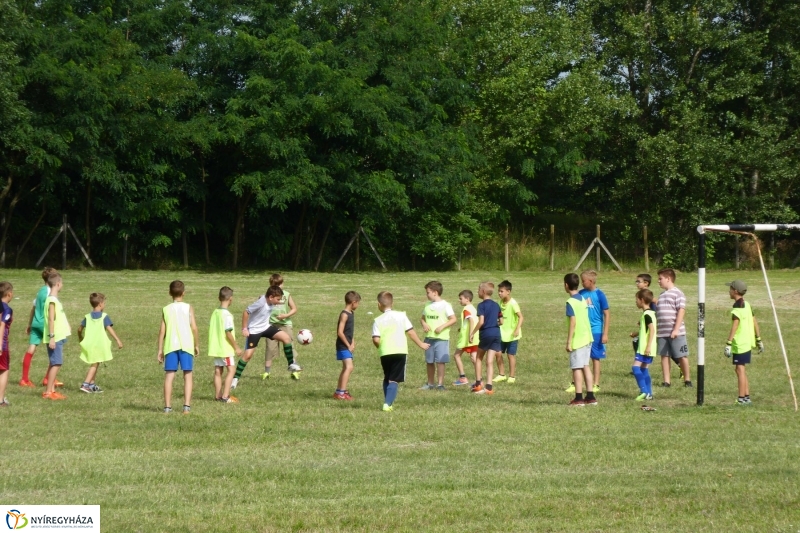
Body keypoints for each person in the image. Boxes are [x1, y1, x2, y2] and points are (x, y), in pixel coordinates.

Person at [231, 286, 300, 389]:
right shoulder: (261, 303)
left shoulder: (271, 301)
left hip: (266, 327)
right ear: (271, 297)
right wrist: (244, 329)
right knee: (248, 356)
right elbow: (246, 312)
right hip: (254, 330)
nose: (279, 301)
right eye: (277, 299)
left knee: (286, 338)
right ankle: (235, 379)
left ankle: (291, 364)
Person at [372, 291, 429, 411]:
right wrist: (421, 344)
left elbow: (376, 339)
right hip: (400, 350)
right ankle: (387, 404)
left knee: (387, 377)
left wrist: (379, 346)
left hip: (385, 352)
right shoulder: (402, 315)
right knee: (394, 379)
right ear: (392, 303)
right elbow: (410, 332)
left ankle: (388, 402)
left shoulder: (377, 320)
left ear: (379, 304)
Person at [156, 280, 199, 414]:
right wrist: (196, 344)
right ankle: (186, 406)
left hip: (170, 345)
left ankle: (167, 407)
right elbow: (194, 328)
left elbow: (162, 331)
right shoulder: (188, 307)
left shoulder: (166, 309)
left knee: (169, 376)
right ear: (184, 293)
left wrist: (160, 349)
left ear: (170, 293)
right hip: (186, 344)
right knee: (188, 375)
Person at [724, 280, 764, 405]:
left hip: (740, 343)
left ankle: (741, 399)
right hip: (747, 342)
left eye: (730, 289)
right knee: (739, 369)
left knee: (740, 369)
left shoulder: (737, 307)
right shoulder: (747, 304)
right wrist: (759, 339)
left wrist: (728, 343)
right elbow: (754, 321)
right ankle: (746, 397)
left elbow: (735, 325)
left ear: (735, 291)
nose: (729, 291)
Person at [19, 267, 58, 388]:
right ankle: (48, 378)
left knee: (31, 350)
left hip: (36, 323)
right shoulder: (50, 292)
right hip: (45, 325)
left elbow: (34, 308)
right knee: (54, 353)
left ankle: (24, 379)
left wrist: (30, 324)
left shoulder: (40, 291)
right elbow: (51, 311)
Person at [77, 293, 123, 394]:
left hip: (89, 344)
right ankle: (85, 384)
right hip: (98, 344)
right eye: (104, 303)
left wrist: (80, 337)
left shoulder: (87, 317)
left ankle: (92, 385)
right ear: (100, 304)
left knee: (95, 362)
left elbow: (79, 329)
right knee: (95, 364)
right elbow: (109, 329)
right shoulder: (104, 317)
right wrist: (117, 340)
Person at [656, 268, 692, 387]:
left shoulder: (678, 293)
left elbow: (681, 311)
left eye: (660, 278)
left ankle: (687, 380)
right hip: (662, 332)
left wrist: (676, 329)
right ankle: (667, 381)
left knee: (681, 356)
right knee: (664, 356)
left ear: (668, 278)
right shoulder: (661, 295)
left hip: (676, 332)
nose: (658, 281)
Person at [564, 273, 596, 406]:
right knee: (585, 366)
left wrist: (569, 341)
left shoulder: (570, 302)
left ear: (566, 286)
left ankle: (578, 398)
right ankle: (590, 396)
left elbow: (573, 321)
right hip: (587, 337)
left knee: (576, 368)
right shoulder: (583, 299)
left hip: (578, 339)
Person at [208, 286, 243, 403]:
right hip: (225, 348)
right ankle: (225, 396)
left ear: (219, 298)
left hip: (216, 347)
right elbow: (228, 332)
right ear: (231, 299)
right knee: (231, 370)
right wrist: (236, 347)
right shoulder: (227, 315)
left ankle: (217, 395)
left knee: (218, 371)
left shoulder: (215, 312)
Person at [419, 281, 456, 391]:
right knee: (429, 361)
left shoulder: (446, 305)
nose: (427, 294)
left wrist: (442, 327)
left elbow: (453, 319)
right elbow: (422, 318)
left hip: (442, 338)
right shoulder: (427, 305)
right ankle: (430, 383)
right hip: (429, 338)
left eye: (428, 292)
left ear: (435, 292)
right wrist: (424, 323)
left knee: (440, 361)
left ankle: (440, 384)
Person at [577, 270, 609, 392]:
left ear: (590, 281)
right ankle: (576, 383)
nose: (582, 283)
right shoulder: (581, 293)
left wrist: (605, 333)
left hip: (596, 330)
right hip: (583, 330)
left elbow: (607, 314)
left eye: (583, 281)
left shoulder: (600, 295)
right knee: (580, 356)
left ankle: (596, 384)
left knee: (595, 357)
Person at [262, 273, 299, 380]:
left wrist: (285, 316)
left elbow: (294, 308)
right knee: (270, 348)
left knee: (290, 347)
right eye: (275, 285)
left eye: (280, 284)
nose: (278, 287)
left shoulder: (286, 294)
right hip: (271, 325)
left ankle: (294, 370)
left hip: (285, 324)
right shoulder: (268, 296)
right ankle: (267, 372)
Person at [469, 281, 502, 395]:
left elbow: (481, 321)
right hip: (496, 334)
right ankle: (489, 387)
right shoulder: (496, 305)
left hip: (486, 334)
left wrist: (472, 333)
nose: (477, 291)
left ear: (483, 292)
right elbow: (501, 321)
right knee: (490, 361)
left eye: (478, 290)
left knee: (478, 358)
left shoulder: (481, 305)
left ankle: (478, 384)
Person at [43, 273, 70, 400]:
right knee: (57, 363)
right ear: (58, 284)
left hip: (59, 335)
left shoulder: (53, 299)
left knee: (55, 362)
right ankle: (48, 392)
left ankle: (52, 390)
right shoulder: (52, 300)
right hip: (55, 337)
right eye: (62, 283)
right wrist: (52, 337)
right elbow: (51, 320)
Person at [334, 291, 361, 400]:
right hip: (342, 345)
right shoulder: (344, 314)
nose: (358, 305)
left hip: (347, 345)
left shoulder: (351, 313)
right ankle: (341, 392)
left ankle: (339, 391)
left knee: (346, 367)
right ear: (353, 302)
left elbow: (349, 332)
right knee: (349, 367)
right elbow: (340, 332)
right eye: (358, 303)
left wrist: (352, 342)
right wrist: (348, 345)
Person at [496, 280, 523, 384]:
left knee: (510, 355)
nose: (499, 293)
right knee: (498, 353)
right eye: (498, 291)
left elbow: (521, 317)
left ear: (508, 291)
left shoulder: (513, 303)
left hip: (512, 335)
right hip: (501, 334)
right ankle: (501, 374)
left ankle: (512, 376)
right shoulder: (499, 303)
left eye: (501, 291)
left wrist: (517, 329)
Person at [632, 289, 656, 401]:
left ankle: (644, 391)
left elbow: (652, 330)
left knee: (635, 367)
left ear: (642, 300)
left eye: (636, 299)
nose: (635, 302)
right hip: (649, 348)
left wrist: (648, 346)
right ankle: (649, 394)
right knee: (644, 369)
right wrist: (636, 333)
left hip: (645, 347)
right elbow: (646, 329)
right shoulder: (652, 313)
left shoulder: (647, 315)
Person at [452, 290, 478, 386]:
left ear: (467, 299)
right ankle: (479, 379)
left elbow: (471, 320)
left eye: (461, 298)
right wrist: (462, 328)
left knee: (456, 355)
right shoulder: (473, 308)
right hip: (475, 337)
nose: (459, 300)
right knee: (474, 358)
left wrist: (470, 334)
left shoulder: (466, 309)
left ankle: (463, 378)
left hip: (467, 339)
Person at [0, 282, 14, 406]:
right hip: (2, 344)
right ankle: (0, 400)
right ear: (9, 294)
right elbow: (2, 324)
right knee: (4, 370)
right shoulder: (6, 309)